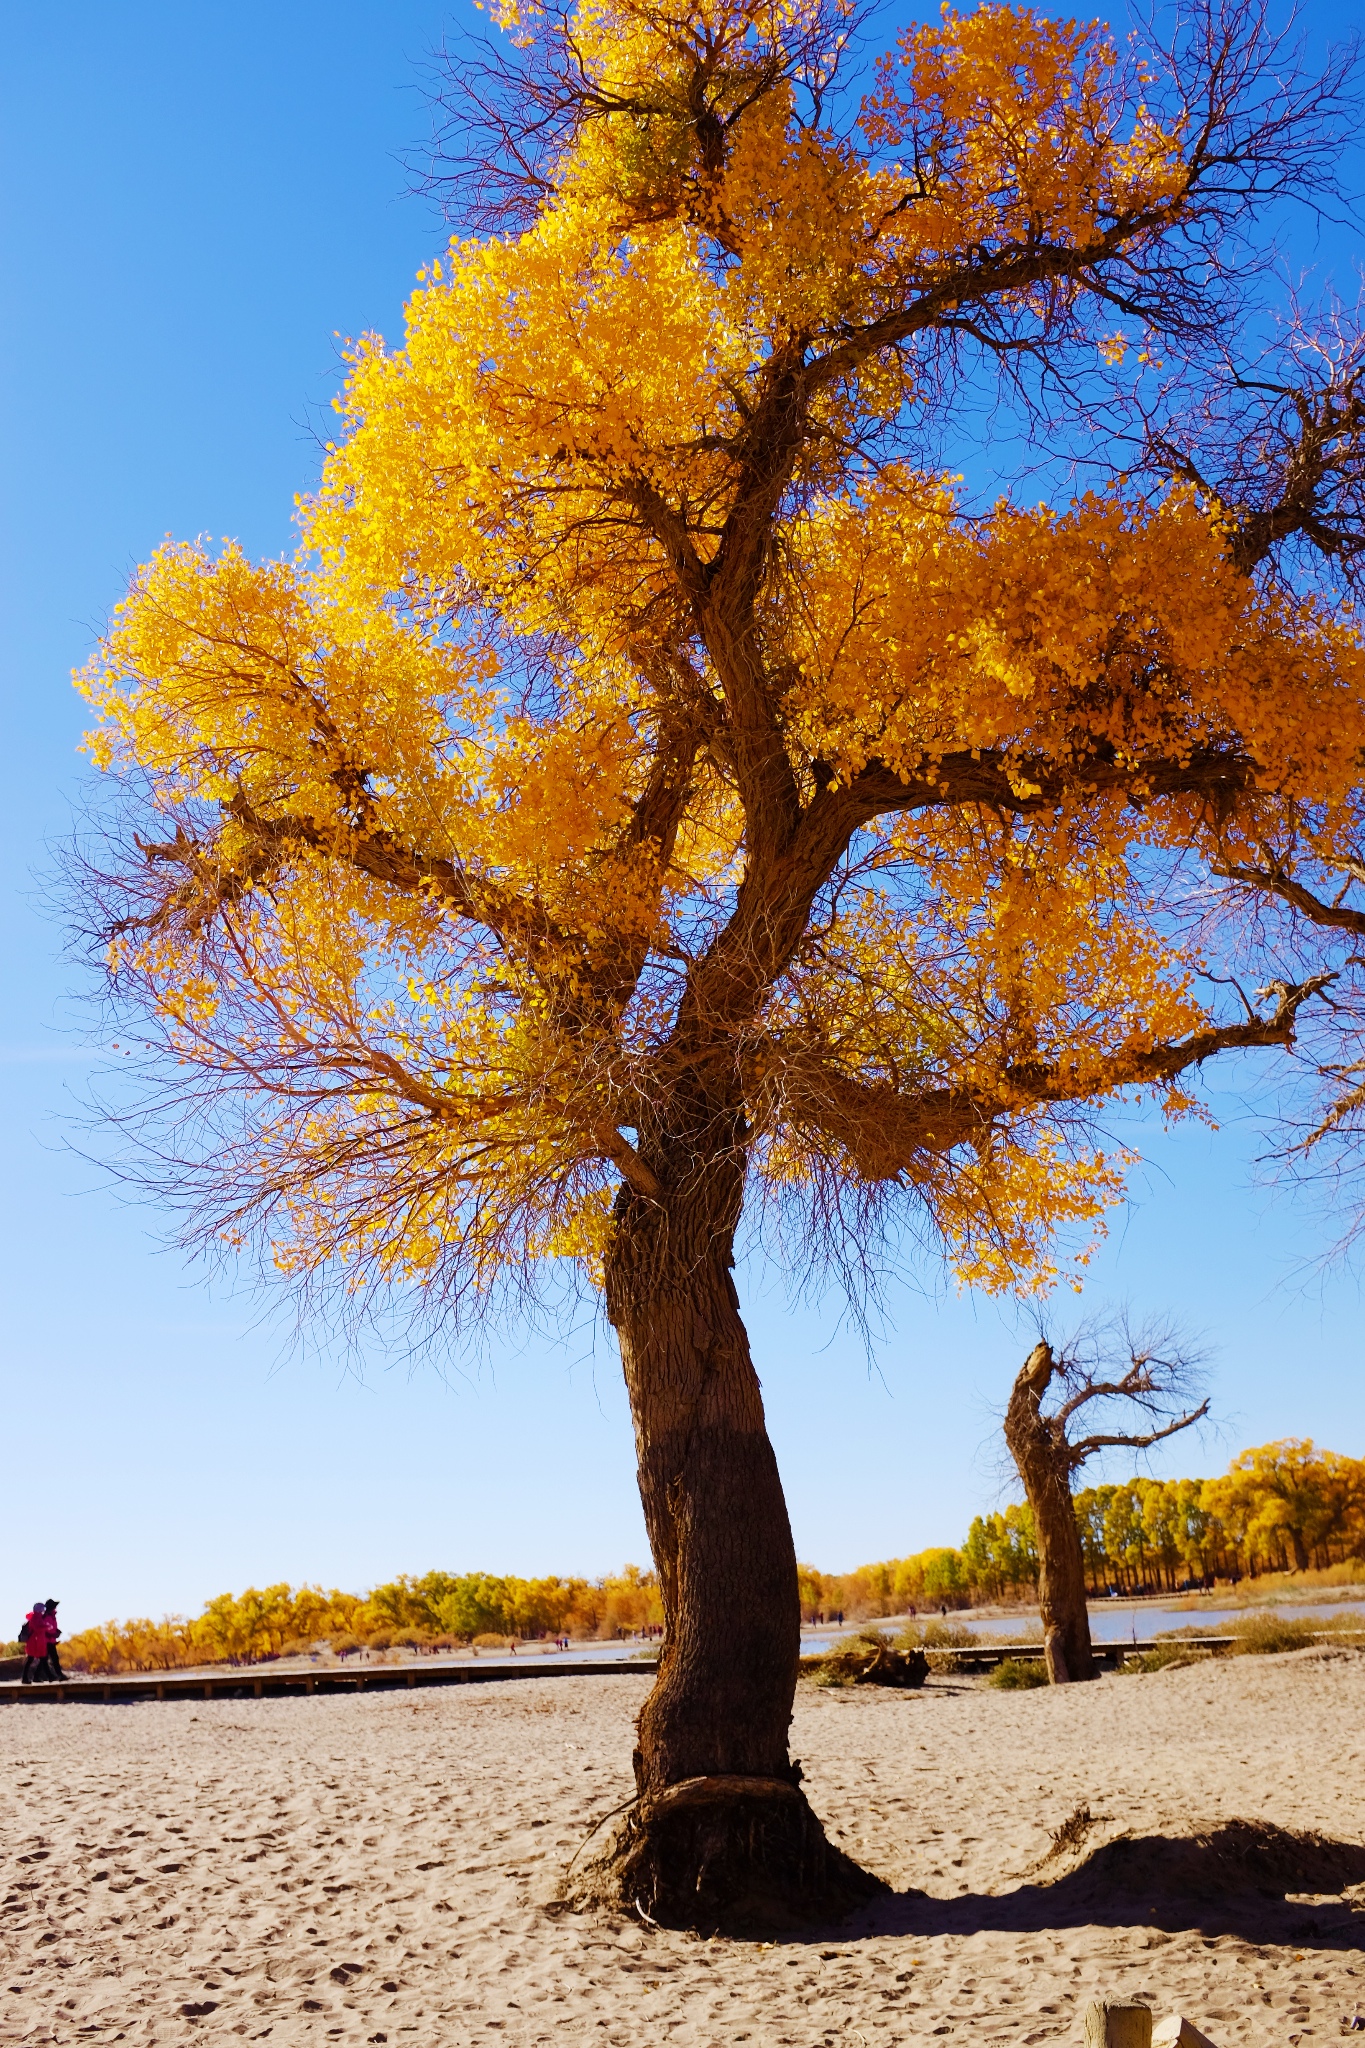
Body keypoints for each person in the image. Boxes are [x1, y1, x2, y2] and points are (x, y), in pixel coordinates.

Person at [19, 1599, 48, 1685]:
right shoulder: (35, 1618)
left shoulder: (37, 1618)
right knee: (33, 1659)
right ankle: (27, 1678)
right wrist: (46, 1627)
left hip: (36, 1641)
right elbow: (37, 1629)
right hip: (34, 1642)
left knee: (37, 1659)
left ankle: (34, 1677)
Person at [39, 1601, 63, 1681]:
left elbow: (51, 1628)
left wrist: (56, 1632)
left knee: (45, 1659)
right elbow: (44, 1629)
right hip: (47, 1641)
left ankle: (38, 1676)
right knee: (53, 1658)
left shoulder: (51, 1616)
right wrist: (53, 1635)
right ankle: (58, 1675)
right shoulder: (47, 1617)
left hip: (51, 1641)